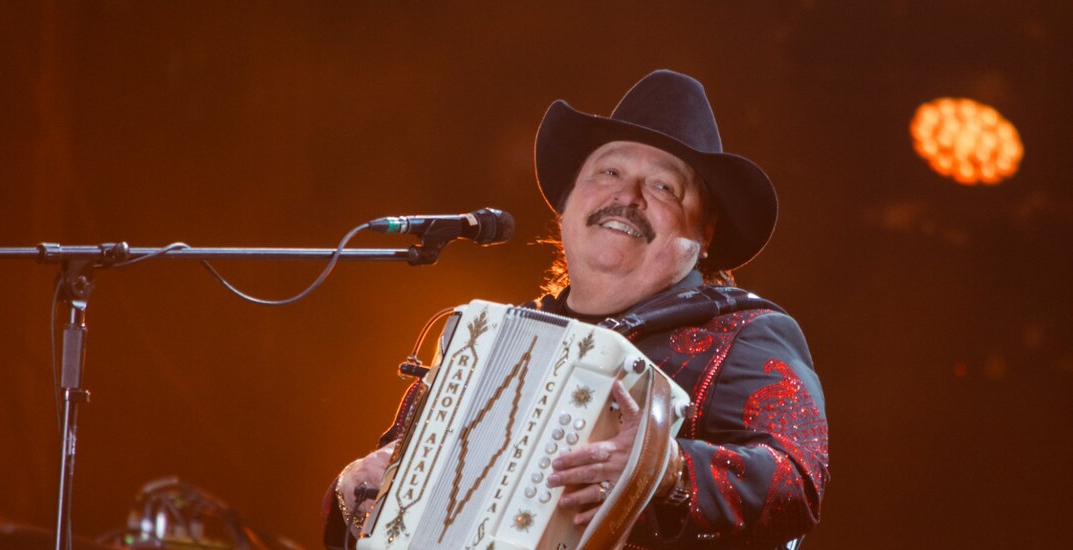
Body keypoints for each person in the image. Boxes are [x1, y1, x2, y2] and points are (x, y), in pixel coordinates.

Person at [322, 70, 828, 549]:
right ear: (566, 205)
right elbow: (375, 501)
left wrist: (666, 468)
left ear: (704, 234)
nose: (626, 196)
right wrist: (351, 492)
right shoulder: (487, 342)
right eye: (609, 171)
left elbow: (796, 486)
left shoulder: (747, 333)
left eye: (663, 187)